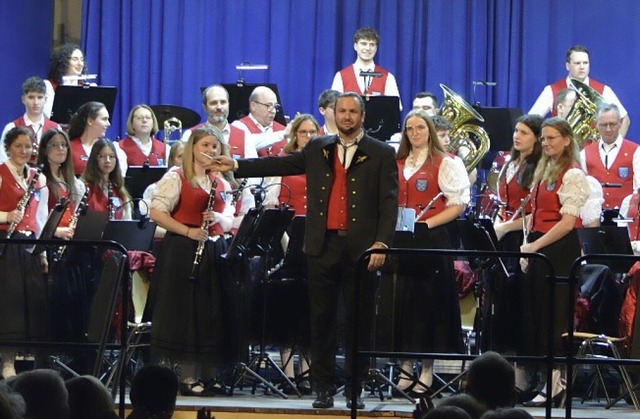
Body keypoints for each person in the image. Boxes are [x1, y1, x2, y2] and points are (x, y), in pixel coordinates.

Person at [213, 92, 398, 409]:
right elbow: (282, 162)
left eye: (354, 112)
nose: (347, 116)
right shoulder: (318, 147)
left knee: (359, 320)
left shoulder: (380, 152)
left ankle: (355, 388)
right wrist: (237, 165)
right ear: (335, 114)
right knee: (321, 320)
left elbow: (389, 201)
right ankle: (323, 388)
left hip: (361, 248)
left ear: (362, 116)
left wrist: (381, 242)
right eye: (343, 111)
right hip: (321, 246)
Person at [381, 110, 468, 397]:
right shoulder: (397, 162)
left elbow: (457, 205)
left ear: (429, 130)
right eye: (409, 128)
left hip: (430, 238)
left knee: (427, 305)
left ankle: (427, 372)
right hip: (402, 239)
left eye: (420, 127)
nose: (415, 133)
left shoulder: (445, 163)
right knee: (403, 304)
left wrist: (428, 223)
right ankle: (405, 369)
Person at [149, 126, 235, 396]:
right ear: (192, 149)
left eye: (215, 146)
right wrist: (187, 230)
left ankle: (210, 376)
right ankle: (187, 376)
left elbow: (230, 217)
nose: (211, 151)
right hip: (183, 249)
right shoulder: (177, 177)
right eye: (206, 145)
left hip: (212, 250)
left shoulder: (221, 182)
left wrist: (219, 219)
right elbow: (156, 213)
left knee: (210, 313)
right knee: (188, 313)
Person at [519, 117, 590, 407]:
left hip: (559, 249)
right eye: (544, 138)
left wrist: (534, 246)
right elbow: (536, 213)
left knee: (555, 312)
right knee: (538, 312)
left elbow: (567, 222)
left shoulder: (573, 174)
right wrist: (528, 247)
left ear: (566, 140)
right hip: (539, 245)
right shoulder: (543, 169)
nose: (546, 143)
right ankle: (542, 377)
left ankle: (558, 383)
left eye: (551, 138)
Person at [263, 114, 319, 395]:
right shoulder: (284, 165)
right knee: (288, 309)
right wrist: (286, 242)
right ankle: (287, 371)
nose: (308, 136)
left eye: (313, 132)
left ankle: (307, 372)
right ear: (295, 135)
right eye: (303, 132)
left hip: (317, 247)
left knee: (309, 311)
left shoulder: (324, 165)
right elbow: (273, 206)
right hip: (289, 242)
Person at [0, 126, 49, 379]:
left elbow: (40, 219)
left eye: (28, 146)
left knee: (33, 304)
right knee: (10, 305)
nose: (24, 151)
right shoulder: (0, 173)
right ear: (8, 147)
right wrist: (6, 216)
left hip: (29, 247)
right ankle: (7, 362)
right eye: (18, 146)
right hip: (6, 245)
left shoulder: (37, 179)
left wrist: (42, 253)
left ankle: (32, 364)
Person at [36, 129, 89, 342]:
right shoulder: (40, 179)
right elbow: (37, 218)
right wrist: (57, 231)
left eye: (64, 145)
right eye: (55, 145)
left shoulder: (75, 184)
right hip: (50, 245)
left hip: (69, 248)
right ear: (44, 150)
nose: (61, 149)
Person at [528, 45, 630, 136]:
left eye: (585, 63)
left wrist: (615, 146)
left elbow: (625, 119)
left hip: (592, 153)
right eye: (577, 63)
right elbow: (530, 122)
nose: (582, 67)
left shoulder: (604, 90)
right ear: (568, 66)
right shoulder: (551, 90)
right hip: (561, 153)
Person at [580, 103, 640, 210]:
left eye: (612, 124)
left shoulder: (636, 151)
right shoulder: (585, 153)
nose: (608, 129)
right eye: (603, 124)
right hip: (594, 219)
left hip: (625, 219)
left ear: (620, 123)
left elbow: (638, 189)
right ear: (596, 124)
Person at [331, 27, 402, 109]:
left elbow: (395, 109)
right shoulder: (341, 76)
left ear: (376, 48)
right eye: (364, 44)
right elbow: (334, 108)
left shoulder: (388, 77)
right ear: (355, 46)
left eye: (372, 44)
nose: (368, 48)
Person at [0, 77, 61, 166]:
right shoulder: (12, 127)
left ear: (46, 100)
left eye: (40, 97)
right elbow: (3, 161)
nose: (36, 102)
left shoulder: (56, 128)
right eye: (31, 97)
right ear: (23, 99)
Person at [68, 101, 127, 177]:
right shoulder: (69, 148)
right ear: (90, 121)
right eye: (104, 119)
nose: (108, 124)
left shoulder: (114, 149)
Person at [81, 138, 132, 220]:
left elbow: (126, 224)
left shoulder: (120, 192)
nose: (107, 161)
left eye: (111, 156)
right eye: (102, 156)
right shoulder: (83, 187)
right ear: (94, 159)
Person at [230, 85, 288, 157]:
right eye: (268, 105)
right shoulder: (238, 127)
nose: (273, 111)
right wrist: (282, 134)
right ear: (253, 106)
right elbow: (249, 143)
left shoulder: (283, 129)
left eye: (275, 106)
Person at [44, 43, 88, 118]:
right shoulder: (48, 86)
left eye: (81, 59)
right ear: (64, 62)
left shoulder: (85, 86)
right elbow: (49, 114)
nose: (80, 63)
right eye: (75, 59)